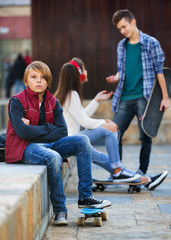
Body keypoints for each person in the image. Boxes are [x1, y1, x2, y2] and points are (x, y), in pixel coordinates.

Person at [5, 61, 111, 226]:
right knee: (54, 157)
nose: (38, 81)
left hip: (49, 143)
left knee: (82, 140)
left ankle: (85, 197)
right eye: (34, 77)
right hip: (25, 147)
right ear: (26, 81)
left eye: (43, 77)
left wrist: (35, 129)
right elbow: (23, 133)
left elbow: (62, 131)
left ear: (48, 82)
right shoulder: (17, 102)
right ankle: (60, 211)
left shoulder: (53, 102)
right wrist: (48, 129)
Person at [55, 57, 167, 190]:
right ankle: (121, 172)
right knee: (108, 130)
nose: (87, 71)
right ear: (80, 74)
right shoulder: (72, 94)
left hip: (71, 140)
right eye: (85, 68)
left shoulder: (67, 94)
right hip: (72, 140)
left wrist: (96, 100)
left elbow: (81, 116)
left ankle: (145, 180)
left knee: (108, 162)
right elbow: (84, 121)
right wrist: (105, 122)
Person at [106, 9, 169, 182]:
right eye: (120, 29)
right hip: (124, 98)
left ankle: (141, 171)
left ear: (133, 22)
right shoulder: (121, 45)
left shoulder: (150, 42)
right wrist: (116, 77)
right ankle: (117, 171)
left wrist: (164, 97)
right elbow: (121, 71)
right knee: (114, 133)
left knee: (145, 136)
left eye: (124, 26)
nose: (123, 31)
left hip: (144, 97)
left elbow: (159, 71)